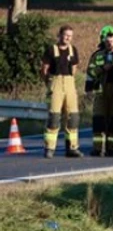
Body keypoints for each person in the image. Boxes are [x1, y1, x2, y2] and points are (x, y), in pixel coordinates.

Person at [40, 25, 82, 158]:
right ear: (60, 35)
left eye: (70, 35)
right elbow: (44, 70)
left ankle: (72, 148)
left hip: (70, 84)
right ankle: (50, 148)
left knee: (73, 117)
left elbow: (74, 68)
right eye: (66, 35)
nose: (68, 38)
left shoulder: (73, 50)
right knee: (54, 117)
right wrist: (50, 83)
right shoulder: (51, 50)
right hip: (56, 83)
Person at [86, 26, 113, 157]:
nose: (109, 43)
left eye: (112, 40)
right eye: (107, 41)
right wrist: (102, 69)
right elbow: (91, 71)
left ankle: (112, 148)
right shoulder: (97, 56)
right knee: (99, 120)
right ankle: (98, 148)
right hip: (100, 91)